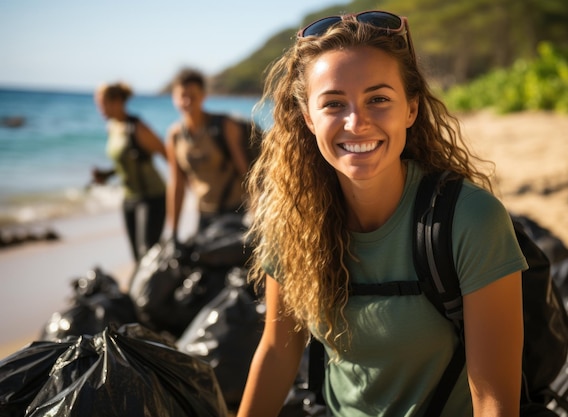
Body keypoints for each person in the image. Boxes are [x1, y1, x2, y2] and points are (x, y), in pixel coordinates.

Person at [237, 10, 528, 417]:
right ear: (308, 119)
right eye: (334, 104)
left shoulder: (469, 219)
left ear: (410, 109)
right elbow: (276, 354)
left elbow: (495, 403)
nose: (356, 123)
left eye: (378, 99)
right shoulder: (292, 221)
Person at [165, 68, 250, 239]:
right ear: (174, 98)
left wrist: (258, 216)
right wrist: (172, 233)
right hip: (203, 213)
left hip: (234, 212)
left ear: (203, 96)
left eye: (193, 96)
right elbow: (177, 185)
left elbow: (247, 174)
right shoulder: (175, 135)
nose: (187, 102)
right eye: (182, 96)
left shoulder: (224, 126)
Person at [93, 82, 167, 262]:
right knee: (136, 255)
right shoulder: (111, 127)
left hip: (152, 198)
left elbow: (167, 154)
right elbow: (124, 163)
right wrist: (106, 175)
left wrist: (181, 187)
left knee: (147, 253)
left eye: (103, 103)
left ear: (118, 101)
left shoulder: (137, 128)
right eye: (98, 104)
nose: (100, 108)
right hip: (129, 198)